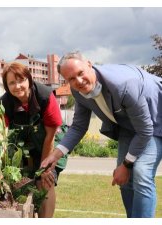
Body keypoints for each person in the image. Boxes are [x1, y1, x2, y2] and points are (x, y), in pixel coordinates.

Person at [41, 51, 162, 218]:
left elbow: (145, 130)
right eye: (71, 79)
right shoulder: (78, 91)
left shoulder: (123, 84)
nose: (78, 81)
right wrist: (56, 154)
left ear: (89, 65)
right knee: (124, 180)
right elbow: (78, 126)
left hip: (156, 120)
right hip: (129, 125)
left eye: (80, 73)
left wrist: (126, 165)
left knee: (141, 173)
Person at [0, 62, 68, 218]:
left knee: (44, 182)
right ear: (7, 86)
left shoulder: (45, 96)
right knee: (19, 182)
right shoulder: (4, 103)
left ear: (29, 79)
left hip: (48, 141)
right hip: (23, 142)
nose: (17, 86)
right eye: (12, 83)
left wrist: (45, 168)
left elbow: (50, 136)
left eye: (21, 80)